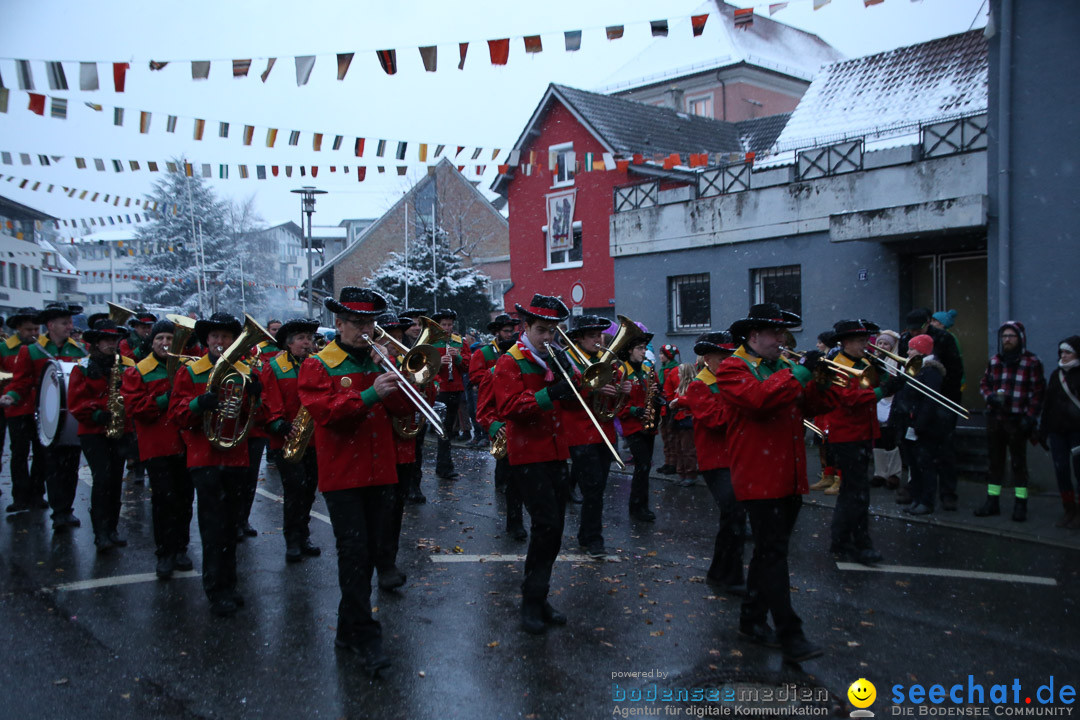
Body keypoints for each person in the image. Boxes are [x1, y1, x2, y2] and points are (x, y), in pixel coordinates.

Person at [297, 288, 411, 676]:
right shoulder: (318, 364)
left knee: (376, 549)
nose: (366, 330)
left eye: (370, 323)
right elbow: (326, 414)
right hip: (343, 474)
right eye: (358, 324)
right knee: (355, 553)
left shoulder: (383, 358)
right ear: (339, 324)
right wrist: (368, 394)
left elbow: (403, 409)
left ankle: (347, 630)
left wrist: (397, 377)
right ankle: (366, 636)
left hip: (382, 470)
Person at [713, 303, 836, 664]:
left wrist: (819, 379)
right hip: (758, 475)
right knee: (773, 556)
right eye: (776, 334)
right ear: (753, 336)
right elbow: (758, 401)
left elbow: (810, 407)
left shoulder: (782, 367)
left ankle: (751, 620)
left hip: (789, 473)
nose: (783, 340)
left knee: (771, 554)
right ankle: (791, 634)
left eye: (783, 334)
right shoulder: (734, 367)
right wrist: (799, 372)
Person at [494, 293, 578, 634]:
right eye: (542, 330)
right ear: (526, 327)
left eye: (553, 332)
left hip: (557, 453)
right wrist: (551, 393)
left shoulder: (555, 358)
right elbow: (510, 408)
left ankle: (540, 595)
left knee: (554, 530)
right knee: (545, 526)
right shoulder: (510, 362)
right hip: (528, 455)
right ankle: (531, 600)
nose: (548, 338)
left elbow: (572, 404)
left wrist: (577, 387)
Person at [168, 312, 256, 617]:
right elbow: (177, 414)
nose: (220, 342)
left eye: (226, 337)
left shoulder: (245, 371)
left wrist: (253, 397)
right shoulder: (191, 371)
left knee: (232, 527)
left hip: (235, 457)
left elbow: (252, 418)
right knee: (214, 526)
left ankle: (229, 584)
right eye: (215, 337)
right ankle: (216, 588)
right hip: (204, 458)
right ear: (206, 340)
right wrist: (197, 404)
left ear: (234, 341)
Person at [3, 302, 87, 531]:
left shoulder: (79, 351)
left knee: (70, 466)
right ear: (50, 325)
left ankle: (66, 509)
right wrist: (11, 396)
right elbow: (20, 382)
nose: (70, 326)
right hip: (47, 418)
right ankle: (58, 512)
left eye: (70, 322)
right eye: (65, 323)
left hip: (72, 418)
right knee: (51, 464)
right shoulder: (31, 351)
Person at [121, 318, 194, 578]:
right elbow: (136, 408)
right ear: (151, 342)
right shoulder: (139, 371)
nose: (165, 343)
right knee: (164, 500)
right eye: (159, 338)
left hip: (185, 444)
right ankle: (165, 552)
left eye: (169, 338)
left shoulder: (187, 367)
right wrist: (167, 397)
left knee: (185, 499)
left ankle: (181, 548)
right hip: (158, 445)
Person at [820, 319, 897, 565]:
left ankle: (841, 540)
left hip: (864, 432)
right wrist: (882, 391)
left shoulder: (863, 361)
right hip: (847, 435)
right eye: (860, 341)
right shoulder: (836, 366)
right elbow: (849, 399)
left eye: (866, 340)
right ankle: (859, 544)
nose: (866, 345)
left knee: (851, 492)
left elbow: (874, 385)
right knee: (858, 493)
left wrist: (885, 377)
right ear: (846, 343)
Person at [682, 331, 745, 595]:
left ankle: (721, 572)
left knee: (734, 518)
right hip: (715, 461)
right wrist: (744, 401)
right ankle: (728, 575)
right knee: (733, 516)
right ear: (708, 359)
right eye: (724, 357)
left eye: (732, 356)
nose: (730, 362)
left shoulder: (733, 381)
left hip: (737, 457)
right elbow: (716, 420)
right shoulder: (700, 385)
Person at [67, 319, 137, 551]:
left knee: (116, 479)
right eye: (107, 340)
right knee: (103, 478)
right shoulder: (83, 366)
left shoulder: (126, 364)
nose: (111, 344)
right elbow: (75, 402)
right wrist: (97, 413)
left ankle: (113, 529)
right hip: (93, 431)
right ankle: (100, 532)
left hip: (119, 429)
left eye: (114, 340)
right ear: (96, 343)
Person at [373, 312, 427, 590]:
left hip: (403, 446)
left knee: (394, 510)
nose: (395, 341)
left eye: (398, 335)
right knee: (379, 512)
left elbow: (422, 400)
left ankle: (388, 564)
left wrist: (425, 382)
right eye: (388, 335)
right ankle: (380, 564)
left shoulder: (405, 363)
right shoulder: (374, 363)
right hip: (379, 448)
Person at [262, 317, 323, 563]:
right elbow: (268, 400)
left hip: (314, 439)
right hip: (287, 438)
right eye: (301, 339)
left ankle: (304, 535)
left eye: (309, 339)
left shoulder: (317, 364)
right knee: (294, 489)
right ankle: (292, 540)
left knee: (309, 490)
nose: (307, 343)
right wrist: (278, 423)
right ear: (289, 344)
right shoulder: (274, 367)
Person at [564, 314, 624, 558]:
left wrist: (622, 390)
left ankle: (585, 534)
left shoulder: (605, 359)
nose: (598, 340)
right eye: (592, 336)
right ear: (578, 338)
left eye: (599, 335)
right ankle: (594, 539)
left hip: (605, 432)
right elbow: (565, 395)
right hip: (580, 431)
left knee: (598, 489)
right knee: (593, 488)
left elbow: (616, 391)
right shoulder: (567, 359)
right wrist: (592, 388)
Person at [976, 321, 1045, 521]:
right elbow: (984, 383)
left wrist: (1031, 417)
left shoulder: (1031, 362)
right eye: (1004, 336)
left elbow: (1038, 392)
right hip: (996, 419)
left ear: (1020, 339)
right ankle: (992, 501)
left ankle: (1020, 503)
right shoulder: (995, 360)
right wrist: (989, 396)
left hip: (1017, 420)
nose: (1007, 340)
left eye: (1011, 336)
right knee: (994, 463)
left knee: (1018, 464)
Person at [475, 326, 527, 541]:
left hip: (527, 433)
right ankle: (514, 523)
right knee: (513, 483)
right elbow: (482, 409)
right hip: (507, 433)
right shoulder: (493, 372)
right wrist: (495, 427)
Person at [900, 335, 953, 516]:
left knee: (926, 466)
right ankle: (917, 498)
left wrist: (919, 424)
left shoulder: (930, 372)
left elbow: (929, 402)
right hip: (914, 424)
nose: (908, 352)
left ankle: (927, 501)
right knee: (915, 466)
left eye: (911, 349)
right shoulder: (917, 369)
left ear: (922, 351)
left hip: (925, 427)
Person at [1, 308, 48, 513]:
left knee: (41, 453)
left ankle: (37, 494)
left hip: (40, 407)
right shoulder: (4, 348)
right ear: (18, 328)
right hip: (17, 408)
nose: (34, 333)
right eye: (29, 329)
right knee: (19, 453)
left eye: (37, 328)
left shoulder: (43, 347)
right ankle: (19, 496)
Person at [617, 330, 662, 522]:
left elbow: (658, 390)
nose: (644, 352)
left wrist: (658, 392)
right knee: (642, 465)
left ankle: (641, 504)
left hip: (648, 424)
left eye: (644, 348)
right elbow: (616, 403)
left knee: (644, 467)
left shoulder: (647, 369)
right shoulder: (620, 371)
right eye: (639, 348)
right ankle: (637, 506)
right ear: (629, 350)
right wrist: (633, 410)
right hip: (632, 425)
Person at [1039, 336, 1080, 528]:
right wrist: (1043, 430)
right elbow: (1048, 404)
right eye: (1061, 352)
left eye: (1068, 352)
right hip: (1057, 432)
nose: (1063, 356)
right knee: (1061, 470)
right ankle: (1068, 508)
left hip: (1077, 431)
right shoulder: (1057, 375)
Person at [431, 308, 467, 478]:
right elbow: (425, 367)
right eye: (444, 325)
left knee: (449, 430)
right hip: (441, 389)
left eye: (450, 325)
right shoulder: (431, 341)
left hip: (456, 388)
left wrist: (458, 357)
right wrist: (439, 363)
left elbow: (468, 366)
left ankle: (445, 464)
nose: (447, 328)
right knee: (442, 430)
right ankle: (444, 466)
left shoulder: (458, 340)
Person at [870, 330, 903, 490]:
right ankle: (880, 472)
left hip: (891, 400)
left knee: (890, 438)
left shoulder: (896, 360)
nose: (882, 346)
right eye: (880, 343)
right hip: (877, 399)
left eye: (886, 344)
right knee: (878, 439)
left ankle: (894, 473)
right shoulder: (874, 359)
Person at [669, 361, 700, 487]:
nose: (679, 375)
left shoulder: (693, 386)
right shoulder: (681, 386)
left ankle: (690, 475)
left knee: (687, 449)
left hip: (687, 421)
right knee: (679, 449)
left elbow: (693, 401)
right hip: (679, 420)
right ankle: (682, 474)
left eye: (680, 373)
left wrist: (678, 401)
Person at [656, 344, 681, 475]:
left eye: (662, 354)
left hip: (671, 408)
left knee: (672, 437)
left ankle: (674, 463)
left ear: (668, 356)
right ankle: (668, 462)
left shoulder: (675, 370)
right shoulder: (663, 370)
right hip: (663, 408)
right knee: (665, 436)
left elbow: (677, 390)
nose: (660, 356)